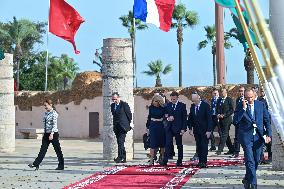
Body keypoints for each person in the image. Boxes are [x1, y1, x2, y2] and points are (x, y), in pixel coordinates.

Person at [233, 89, 271, 189]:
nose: (249, 99)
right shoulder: (240, 105)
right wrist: (243, 109)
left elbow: (267, 120)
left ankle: (247, 178)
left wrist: (268, 134)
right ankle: (253, 184)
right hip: (246, 137)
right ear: (244, 97)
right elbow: (235, 121)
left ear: (254, 96)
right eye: (247, 98)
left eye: (251, 97)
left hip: (259, 136)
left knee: (256, 160)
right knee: (250, 160)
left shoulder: (260, 104)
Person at [28, 99, 64, 170]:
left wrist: (52, 134)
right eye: (44, 106)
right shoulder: (46, 113)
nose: (45, 107)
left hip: (53, 134)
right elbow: (45, 124)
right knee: (43, 149)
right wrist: (45, 133)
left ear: (50, 105)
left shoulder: (54, 113)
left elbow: (54, 125)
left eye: (46, 105)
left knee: (57, 150)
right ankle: (36, 164)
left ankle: (61, 165)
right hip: (46, 134)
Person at [160, 91, 187, 166]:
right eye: (171, 99)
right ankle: (165, 160)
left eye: (174, 99)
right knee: (167, 144)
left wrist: (183, 129)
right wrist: (168, 118)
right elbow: (164, 116)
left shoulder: (182, 105)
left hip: (178, 128)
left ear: (177, 98)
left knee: (179, 145)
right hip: (169, 128)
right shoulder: (167, 105)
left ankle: (179, 160)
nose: (173, 100)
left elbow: (184, 118)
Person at [188, 92, 212, 168]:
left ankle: (203, 162)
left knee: (204, 146)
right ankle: (200, 161)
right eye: (193, 101)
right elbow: (190, 118)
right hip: (196, 130)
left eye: (195, 100)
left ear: (198, 98)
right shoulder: (192, 106)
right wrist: (190, 128)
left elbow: (209, 119)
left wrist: (209, 130)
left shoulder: (205, 106)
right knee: (199, 146)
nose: (194, 102)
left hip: (205, 130)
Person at [111, 92, 132, 163]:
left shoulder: (124, 104)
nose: (114, 100)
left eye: (115, 99)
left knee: (120, 142)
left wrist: (129, 124)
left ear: (118, 97)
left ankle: (120, 157)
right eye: (113, 99)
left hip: (123, 127)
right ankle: (123, 157)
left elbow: (129, 115)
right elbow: (114, 115)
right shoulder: (112, 105)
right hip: (116, 127)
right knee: (120, 142)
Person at [146, 95, 167, 165]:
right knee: (152, 144)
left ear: (159, 102)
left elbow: (165, 117)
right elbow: (149, 117)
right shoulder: (151, 107)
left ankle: (162, 158)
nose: (154, 103)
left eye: (156, 101)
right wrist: (147, 127)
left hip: (161, 126)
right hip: (153, 126)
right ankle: (151, 159)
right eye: (153, 101)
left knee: (162, 143)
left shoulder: (163, 108)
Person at [216, 88, 235, 155]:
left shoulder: (229, 100)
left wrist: (224, 115)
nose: (221, 93)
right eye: (221, 92)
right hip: (220, 119)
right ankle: (231, 149)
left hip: (227, 120)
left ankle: (219, 149)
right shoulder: (219, 100)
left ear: (226, 92)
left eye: (223, 92)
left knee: (224, 134)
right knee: (225, 135)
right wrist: (218, 114)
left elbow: (232, 110)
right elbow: (217, 109)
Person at [257, 87, 272, 164]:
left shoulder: (271, 99)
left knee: (269, 141)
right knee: (261, 141)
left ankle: (270, 156)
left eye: (263, 90)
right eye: (261, 90)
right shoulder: (259, 100)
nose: (262, 92)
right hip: (261, 123)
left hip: (270, 122)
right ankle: (261, 157)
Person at [231, 86, 245, 158]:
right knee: (236, 137)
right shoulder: (238, 99)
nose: (241, 92)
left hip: (244, 122)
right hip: (238, 121)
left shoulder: (246, 99)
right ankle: (236, 152)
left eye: (242, 91)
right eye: (240, 91)